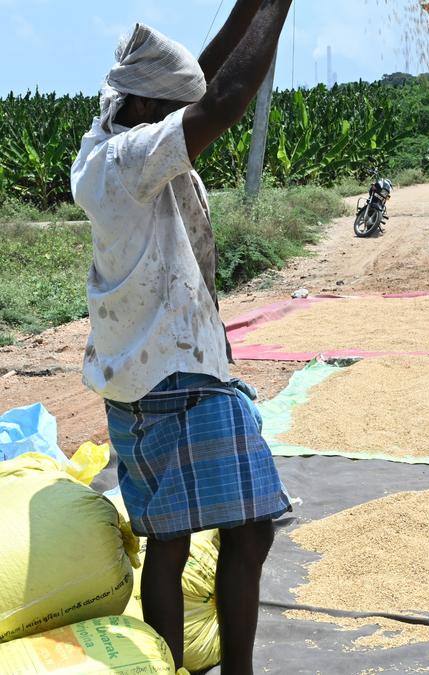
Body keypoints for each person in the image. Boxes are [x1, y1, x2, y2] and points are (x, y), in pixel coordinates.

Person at [70, 2, 294, 673]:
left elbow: (197, 77)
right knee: (248, 528)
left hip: (149, 375)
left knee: (171, 542)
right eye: (165, 111)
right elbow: (220, 97)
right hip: (174, 378)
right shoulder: (132, 157)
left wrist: (249, 6)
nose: (175, 122)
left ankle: (173, 667)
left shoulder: (112, 127)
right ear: (143, 107)